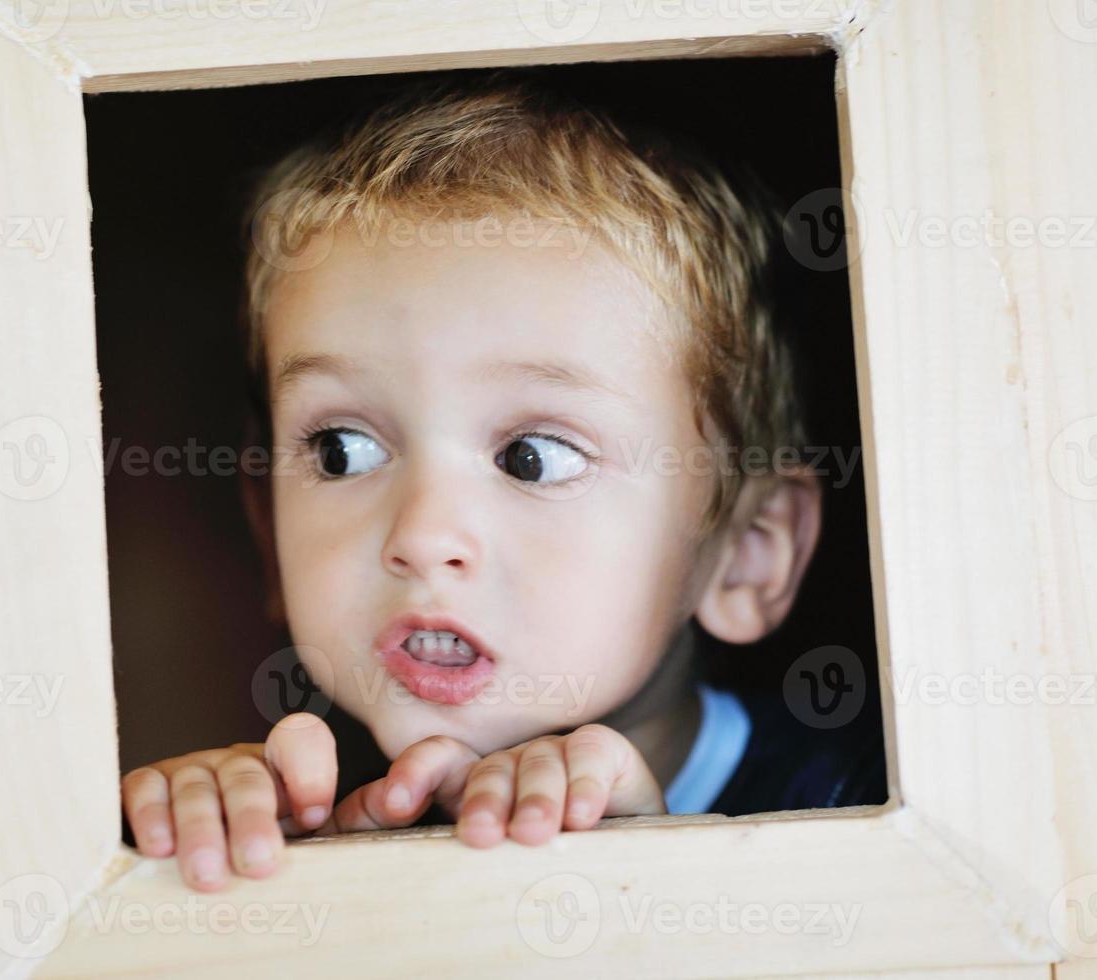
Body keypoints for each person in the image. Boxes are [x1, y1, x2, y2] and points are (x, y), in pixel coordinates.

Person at [119, 72, 885, 893]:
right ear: (270, 535)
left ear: (745, 556)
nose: (421, 535)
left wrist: (662, 896)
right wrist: (192, 873)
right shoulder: (295, 815)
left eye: (534, 457)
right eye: (343, 449)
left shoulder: (866, 813)